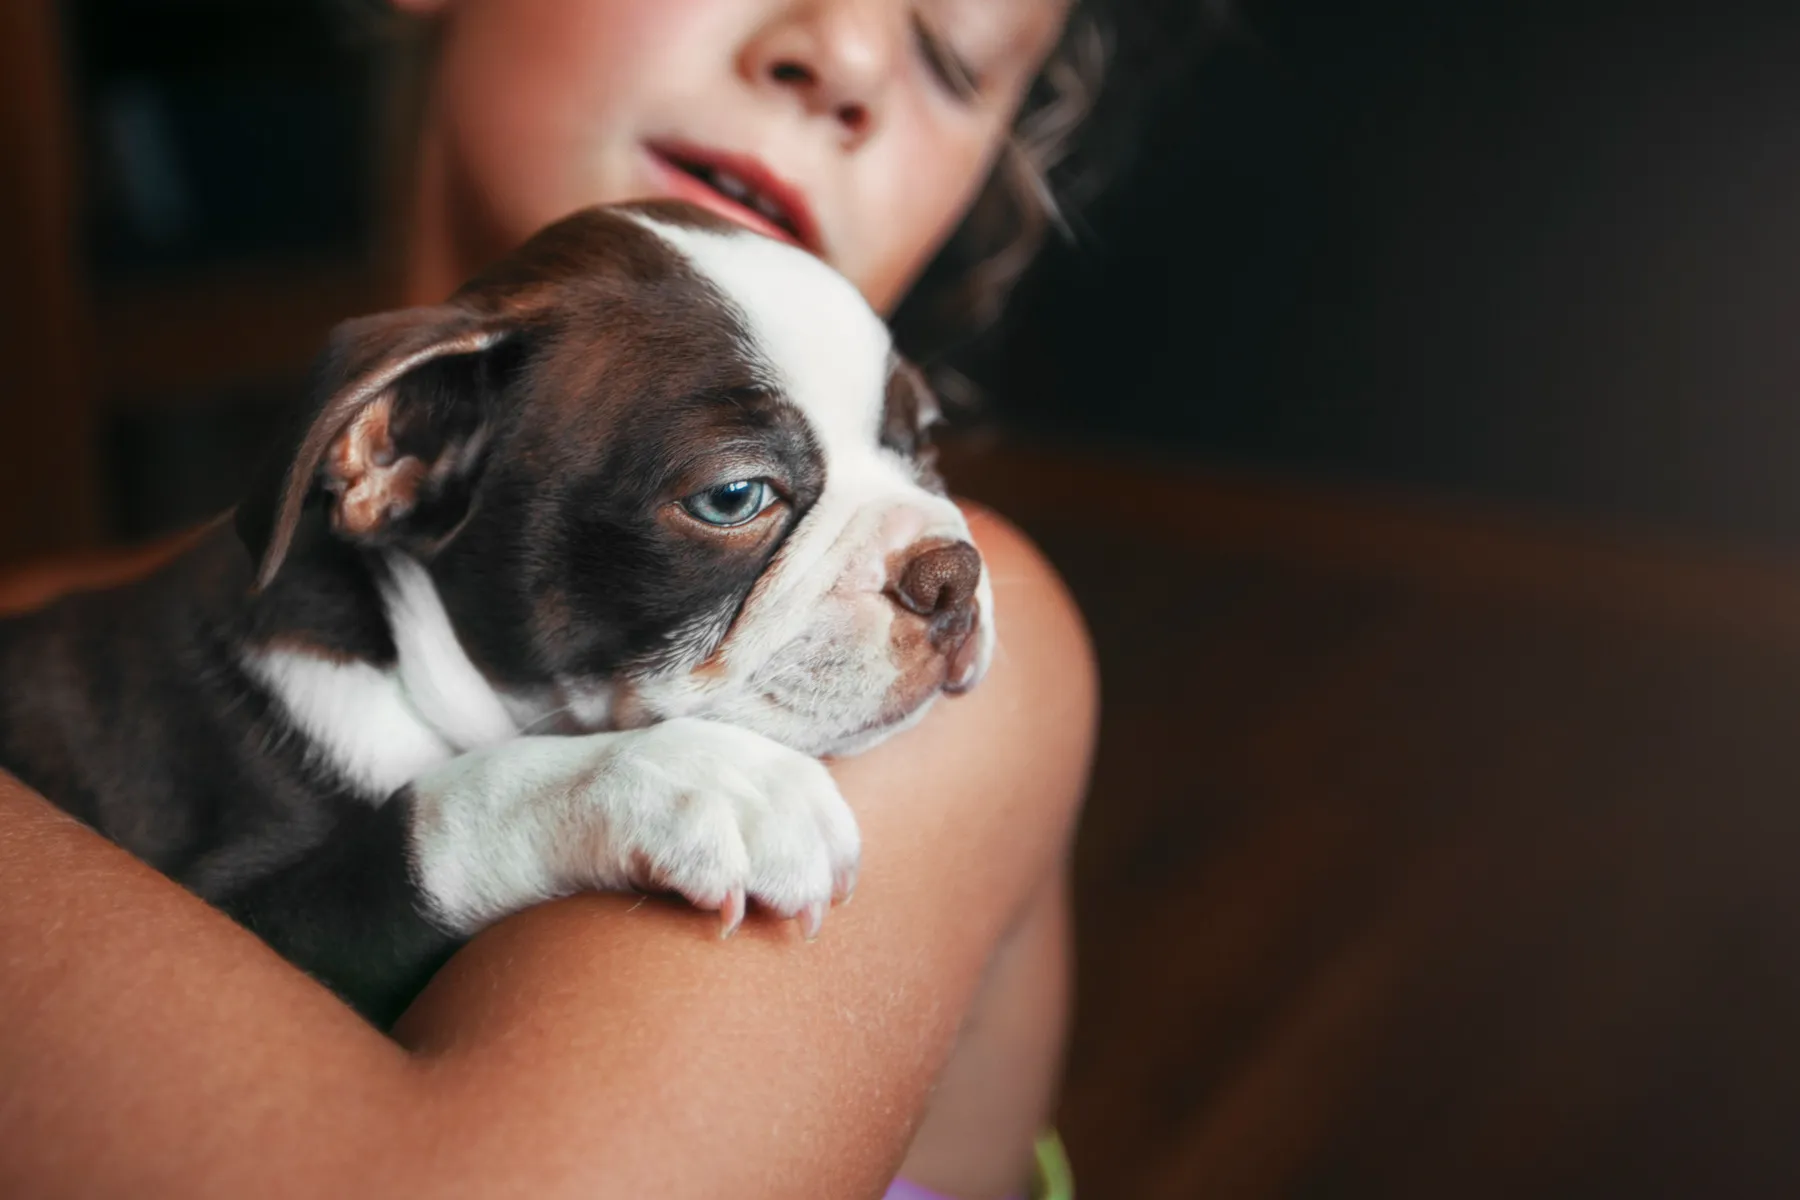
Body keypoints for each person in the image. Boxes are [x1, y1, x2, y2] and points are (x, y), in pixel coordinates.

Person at [0, 2, 1126, 1195]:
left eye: (954, 60)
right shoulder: (105, 647)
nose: (843, 56)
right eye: (741, 491)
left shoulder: (988, 690)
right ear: (387, 452)